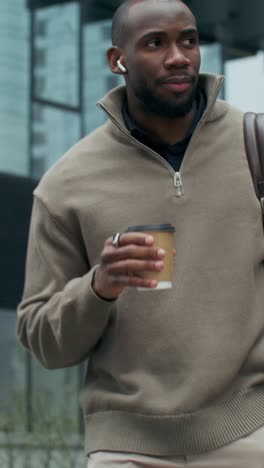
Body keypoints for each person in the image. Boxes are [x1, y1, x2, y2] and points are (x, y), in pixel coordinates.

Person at [17, 0, 264, 466]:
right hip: (126, 446)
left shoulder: (255, 148)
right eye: (156, 43)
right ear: (118, 60)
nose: (178, 56)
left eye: (188, 40)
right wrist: (97, 288)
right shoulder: (67, 184)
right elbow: (43, 340)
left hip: (250, 429)